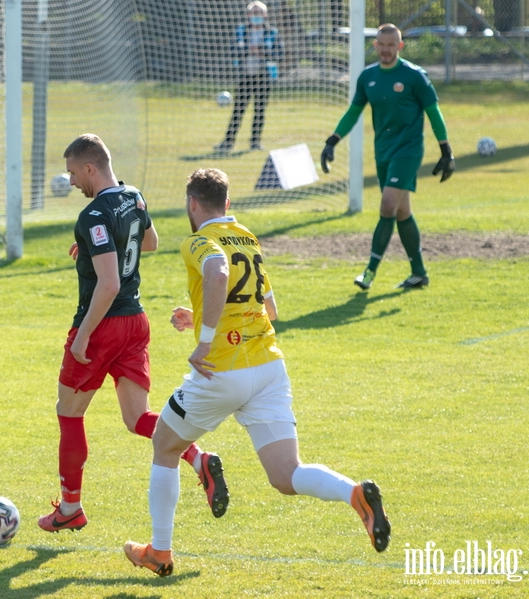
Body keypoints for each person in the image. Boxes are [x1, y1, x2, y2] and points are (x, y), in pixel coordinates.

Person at [123, 168, 390, 577]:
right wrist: (199, 316)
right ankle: (353, 493)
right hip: (267, 367)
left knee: (165, 445)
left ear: (192, 204)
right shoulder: (247, 237)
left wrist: (205, 338)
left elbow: (217, 273)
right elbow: (270, 311)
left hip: (222, 371)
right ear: (227, 204)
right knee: (287, 474)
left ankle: (159, 552)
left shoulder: (198, 241)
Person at [38, 135, 230, 534]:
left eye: (74, 173)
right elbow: (151, 242)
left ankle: (70, 507)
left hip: (102, 324)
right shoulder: (135, 197)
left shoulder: (91, 216)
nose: (72, 181)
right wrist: (96, 250)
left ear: (90, 168)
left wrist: (82, 335)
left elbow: (107, 286)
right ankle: (197, 458)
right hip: (135, 322)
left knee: (69, 413)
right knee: (136, 417)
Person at [320, 23, 455, 290]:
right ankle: (419, 272)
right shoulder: (367, 77)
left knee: (387, 206)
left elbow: (434, 112)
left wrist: (446, 151)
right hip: (383, 152)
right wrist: (332, 141)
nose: (385, 49)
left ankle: (369, 272)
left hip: (408, 151)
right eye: (381, 44)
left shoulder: (415, 76)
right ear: (375, 45)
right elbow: (353, 112)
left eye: (391, 45)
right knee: (402, 211)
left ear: (400, 46)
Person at [214, 1, 284, 153]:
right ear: (248, 15)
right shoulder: (241, 31)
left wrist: (262, 52)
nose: (256, 16)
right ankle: (228, 142)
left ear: (265, 15)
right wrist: (248, 51)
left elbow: (280, 55)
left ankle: (255, 142)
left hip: (263, 77)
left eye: (259, 13)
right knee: (238, 110)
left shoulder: (272, 32)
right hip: (245, 76)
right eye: (254, 13)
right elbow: (232, 51)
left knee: (259, 111)